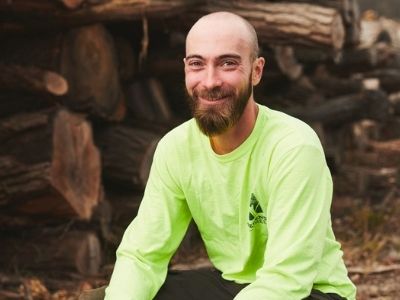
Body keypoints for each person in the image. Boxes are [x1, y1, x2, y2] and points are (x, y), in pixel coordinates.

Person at [104, 11, 356, 300]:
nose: (210, 81)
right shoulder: (176, 148)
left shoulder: (293, 147)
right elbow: (142, 256)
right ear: (185, 68)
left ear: (256, 71)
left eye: (228, 63)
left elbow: (288, 277)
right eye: (197, 64)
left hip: (309, 292)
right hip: (239, 288)